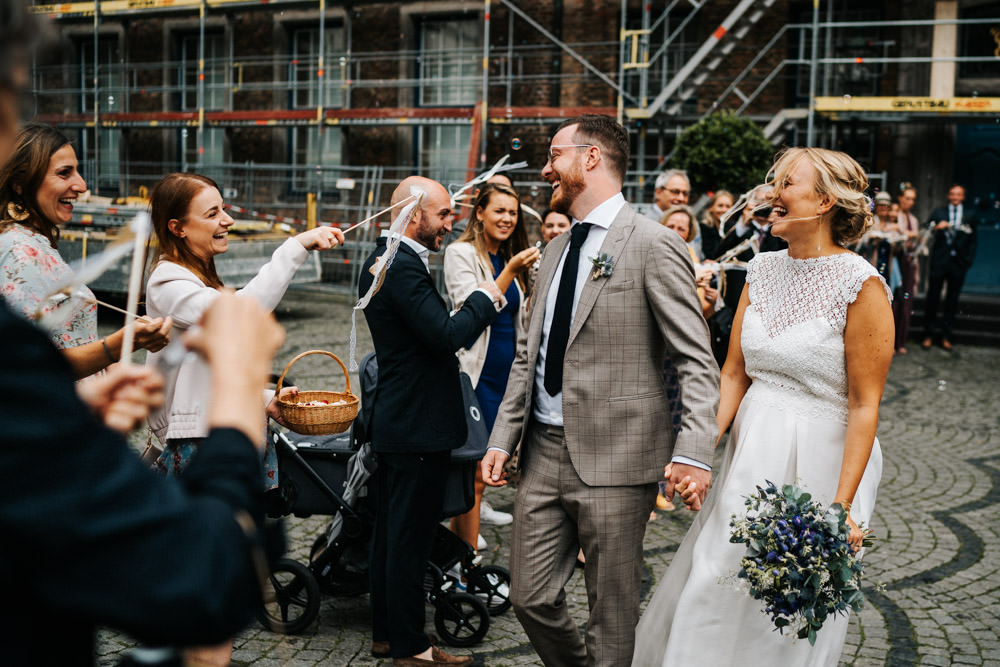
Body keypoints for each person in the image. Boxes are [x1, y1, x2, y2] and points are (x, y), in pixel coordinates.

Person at [632, 147, 893, 666]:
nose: (771, 192)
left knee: (787, 607)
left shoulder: (860, 285)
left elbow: (866, 405)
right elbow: (733, 372)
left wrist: (840, 510)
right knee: (713, 576)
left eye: (785, 182)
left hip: (821, 460)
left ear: (822, 202)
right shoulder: (762, 269)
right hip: (751, 452)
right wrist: (698, 451)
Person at [481, 115, 720, 665]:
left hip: (620, 455)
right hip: (541, 453)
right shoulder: (557, 249)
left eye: (554, 155)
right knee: (528, 597)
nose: (545, 169)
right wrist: (501, 439)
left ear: (590, 158)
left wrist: (692, 452)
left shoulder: (656, 245)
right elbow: (528, 354)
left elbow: (695, 361)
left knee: (611, 614)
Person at [144, 172, 343, 665]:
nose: (226, 220)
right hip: (199, 446)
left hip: (219, 434)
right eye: (211, 214)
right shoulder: (169, 282)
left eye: (223, 208)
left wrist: (261, 397)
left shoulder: (197, 277)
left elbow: (205, 370)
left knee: (223, 577)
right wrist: (294, 246)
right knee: (210, 579)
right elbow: (241, 316)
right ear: (177, 228)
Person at [360, 176, 503, 666]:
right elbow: (445, 335)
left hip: (403, 420)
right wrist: (486, 298)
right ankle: (412, 648)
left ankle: (387, 634)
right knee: (408, 539)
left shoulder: (390, 260)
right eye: (443, 215)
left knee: (391, 535)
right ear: (414, 214)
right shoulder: (400, 266)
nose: (451, 223)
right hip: (416, 422)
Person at [0, 123, 171, 378]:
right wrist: (123, 343)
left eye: (77, 172)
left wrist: (112, 371)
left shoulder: (35, 241)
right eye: (64, 173)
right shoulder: (18, 251)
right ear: (21, 184)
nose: (81, 185)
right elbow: (28, 364)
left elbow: (67, 339)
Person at [443, 183, 540, 552]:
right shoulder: (460, 253)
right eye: (499, 211)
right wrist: (509, 271)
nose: (507, 219)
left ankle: (461, 548)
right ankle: (463, 559)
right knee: (472, 473)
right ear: (479, 212)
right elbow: (470, 307)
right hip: (477, 374)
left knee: (486, 467)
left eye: (513, 213)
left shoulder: (513, 257)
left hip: (507, 376)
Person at [922, 184, 978, 351]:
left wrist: (967, 261)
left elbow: (973, 241)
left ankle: (946, 336)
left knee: (952, 300)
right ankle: (928, 334)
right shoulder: (939, 213)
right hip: (940, 261)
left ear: (963, 197)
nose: (955, 197)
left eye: (958, 194)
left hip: (958, 263)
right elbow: (926, 228)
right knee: (933, 298)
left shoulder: (970, 215)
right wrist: (936, 227)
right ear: (948, 196)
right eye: (952, 194)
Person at [894, 184, 920, 354]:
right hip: (896, 262)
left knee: (906, 301)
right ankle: (891, 341)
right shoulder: (895, 216)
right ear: (900, 198)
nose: (910, 202)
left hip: (909, 262)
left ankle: (901, 341)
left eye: (913, 199)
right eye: (907, 198)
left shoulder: (914, 220)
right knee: (895, 301)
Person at [699, 189, 734, 260]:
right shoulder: (704, 227)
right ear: (711, 207)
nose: (724, 210)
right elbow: (710, 255)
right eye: (720, 206)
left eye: (728, 206)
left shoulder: (734, 228)